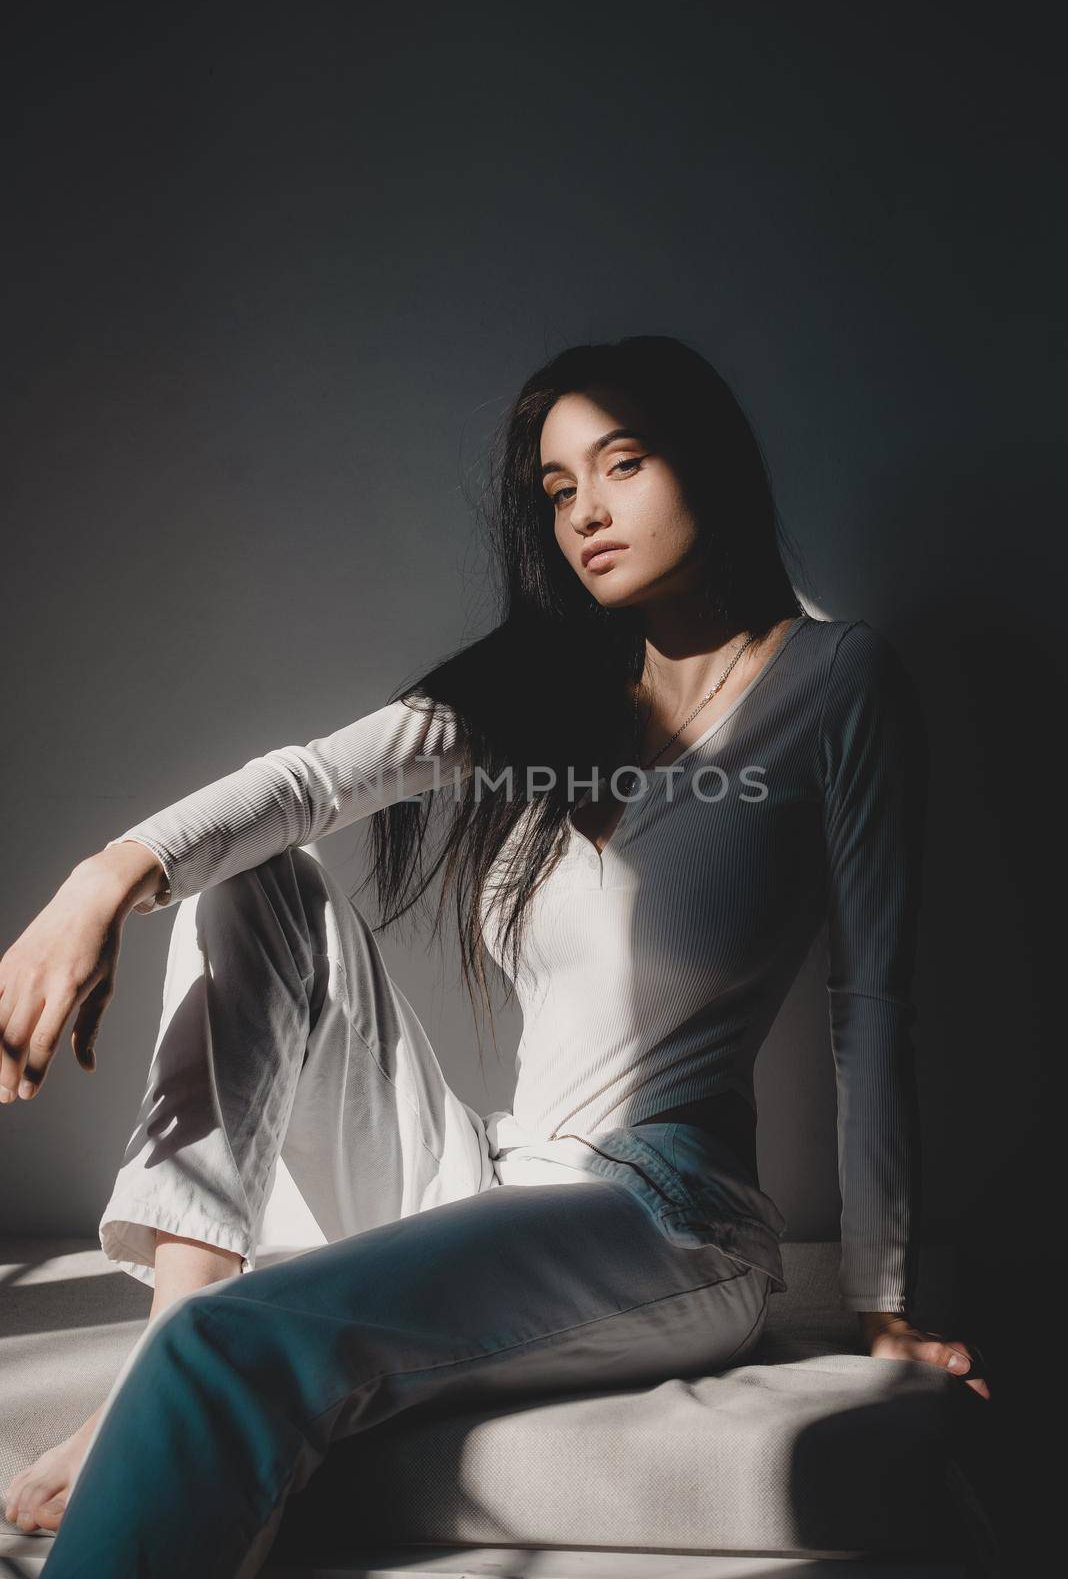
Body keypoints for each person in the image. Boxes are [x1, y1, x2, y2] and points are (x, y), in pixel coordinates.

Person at [0, 335, 989, 1574]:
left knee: (245, 1349)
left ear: (713, 466)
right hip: (490, 1171)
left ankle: (187, 1369)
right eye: (559, 491)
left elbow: (874, 1003)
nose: (587, 514)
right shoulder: (545, 689)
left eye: (621, 464)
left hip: (664, 1213)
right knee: (252, 879)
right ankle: (170, 1329)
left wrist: (882, 1301)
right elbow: (308, 782)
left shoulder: (838, 685)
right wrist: (103, 878)